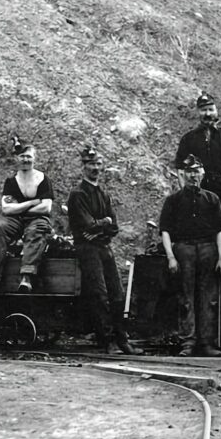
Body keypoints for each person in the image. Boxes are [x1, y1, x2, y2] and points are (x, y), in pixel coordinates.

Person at [67, 147, 143, 355]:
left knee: (117, 294)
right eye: (91, 164)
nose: (96, 168)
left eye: (99, 164)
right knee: (99, 294)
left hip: (103, 246)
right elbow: (87, 225)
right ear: (83, 167)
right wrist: (102, 224)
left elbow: (114, 227)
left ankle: (122, 340)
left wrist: (101, 227)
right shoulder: (77, 194)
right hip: (87, 249)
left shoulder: (103, 194)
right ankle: (107, 341)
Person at [159, 154, 221, 357]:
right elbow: (165, 230)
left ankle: (206, 342)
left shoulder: (212, 199)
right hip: (184, 249)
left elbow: (220, 230)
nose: (193, 176)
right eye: (189, 172)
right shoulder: (173, 201)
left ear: (202, 173)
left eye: (196, 171)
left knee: (209, 297)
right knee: (186, 296)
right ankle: (188, 342)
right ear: (183, 174)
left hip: (208, 249)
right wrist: (171, 256)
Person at [0, 139, 53, 293]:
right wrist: (31, 203)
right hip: (15, 220)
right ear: (17, 159)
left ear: (34, 158)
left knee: (37, 230)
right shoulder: (11, 181)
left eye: (29, 156)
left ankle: (26, 278)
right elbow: (6, 209)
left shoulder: (43, 179)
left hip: (36, 219)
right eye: (22, 156)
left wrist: (19, 208)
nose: (26, 160)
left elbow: (46, 207)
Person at [175, 92, 221, 237]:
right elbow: (180, 169)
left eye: (211, 109)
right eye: (204, 110)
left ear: (216, 111)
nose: (208, 113)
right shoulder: (188, 139)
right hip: (200, 191)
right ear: (198, 112)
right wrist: (186, 192)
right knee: (202, 232)